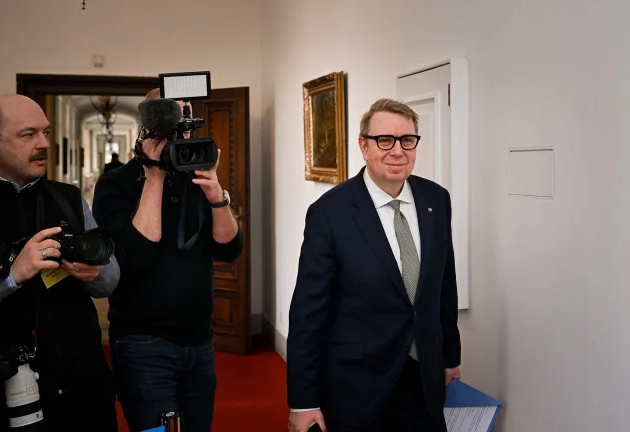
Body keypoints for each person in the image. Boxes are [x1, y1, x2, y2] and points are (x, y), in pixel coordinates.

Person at [287, 98, 462, 432]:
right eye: (385, 141)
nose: (397, 151)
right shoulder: (330, 213)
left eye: (407, 140)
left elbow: (444, 286)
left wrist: (450, 357)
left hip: (425, 379)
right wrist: (303, 400)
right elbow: (308, 313)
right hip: (358, 387)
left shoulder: (436, 200)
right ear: (363, 146)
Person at [92, 88, 244, 432]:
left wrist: (216, 193)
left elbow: (230, 250)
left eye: (185, 121)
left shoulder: (197, 177)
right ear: (147, 126)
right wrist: (154, 175)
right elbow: (137, 257)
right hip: (143, 344)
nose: (179, 132)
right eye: (169, 120)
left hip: (200, 341)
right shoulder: (115, 184)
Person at [0, 94, 120, 431]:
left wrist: (93, 272)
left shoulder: (68, 197)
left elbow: (110, 281)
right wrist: (12, 278)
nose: (43, 144)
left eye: (46, 132)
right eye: (28, 135)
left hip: (79, 383)